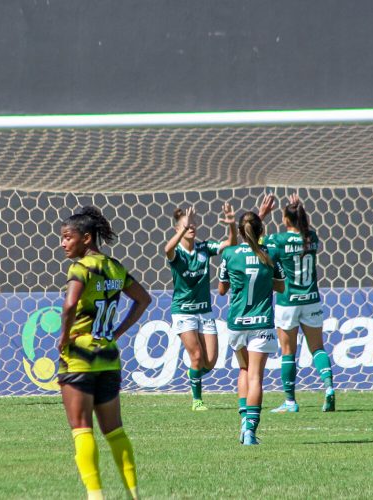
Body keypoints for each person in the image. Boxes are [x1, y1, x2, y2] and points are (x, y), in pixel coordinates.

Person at [58, 206, 151, 500]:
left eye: (67, 237)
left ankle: (95, 496)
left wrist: (63, 337)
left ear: (86, 238)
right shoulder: (114, 267)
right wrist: (118, 331)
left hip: (80, 357)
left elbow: (70, 305)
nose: (63, 243)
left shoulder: (80, 268)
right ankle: (133, 494)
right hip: (109, 356)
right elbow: (143, 299)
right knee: (115, 431)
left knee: (82, 429)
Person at [262, 194, 336, 413]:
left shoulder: (278, 240)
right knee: (318, 348)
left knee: (288, 352)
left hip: (288, 302)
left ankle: (290, 401)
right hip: (311, 300)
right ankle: (329, 387)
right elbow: (305, 229)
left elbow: (253, 240)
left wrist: (262, 215)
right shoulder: (311, 237)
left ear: (285, 220)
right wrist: (299, 208)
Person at [217, 211, 285, 445]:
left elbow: (222, 290)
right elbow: (282, 287)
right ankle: (250, 432)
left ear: (239, 232)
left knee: (243, 371)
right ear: (262, 232)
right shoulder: (271, 253)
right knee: (256, 376)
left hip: (237, 323)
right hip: (261, 322)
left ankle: (243, 422)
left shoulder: (229, 254)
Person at [163, 203, 235, 411]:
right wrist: (184, 228)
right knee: (195, 356)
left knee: (209, 362)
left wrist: (231, 225)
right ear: (178, 230)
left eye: (193, 223)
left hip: (205, 311)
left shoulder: (204, 248)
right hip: (183, 312)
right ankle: (197, 400)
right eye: (186, 225)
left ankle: (193, 374)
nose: (191, 227)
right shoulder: (176, 253)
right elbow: (166, 249)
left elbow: (229, 245)